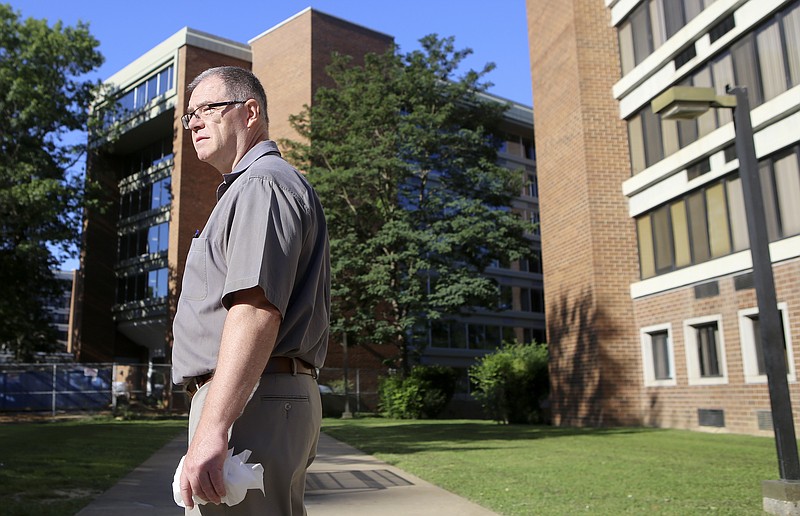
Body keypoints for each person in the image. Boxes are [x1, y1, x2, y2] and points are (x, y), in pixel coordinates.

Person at [171, 66, 330, 515]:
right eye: (189, 116)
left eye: (207, 109)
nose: (194, 122)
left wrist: (213, 426)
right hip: (258, 395)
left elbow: (257, 308)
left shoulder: (262, 185)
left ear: (251, 112)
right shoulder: (254, 188)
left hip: (253, 400)